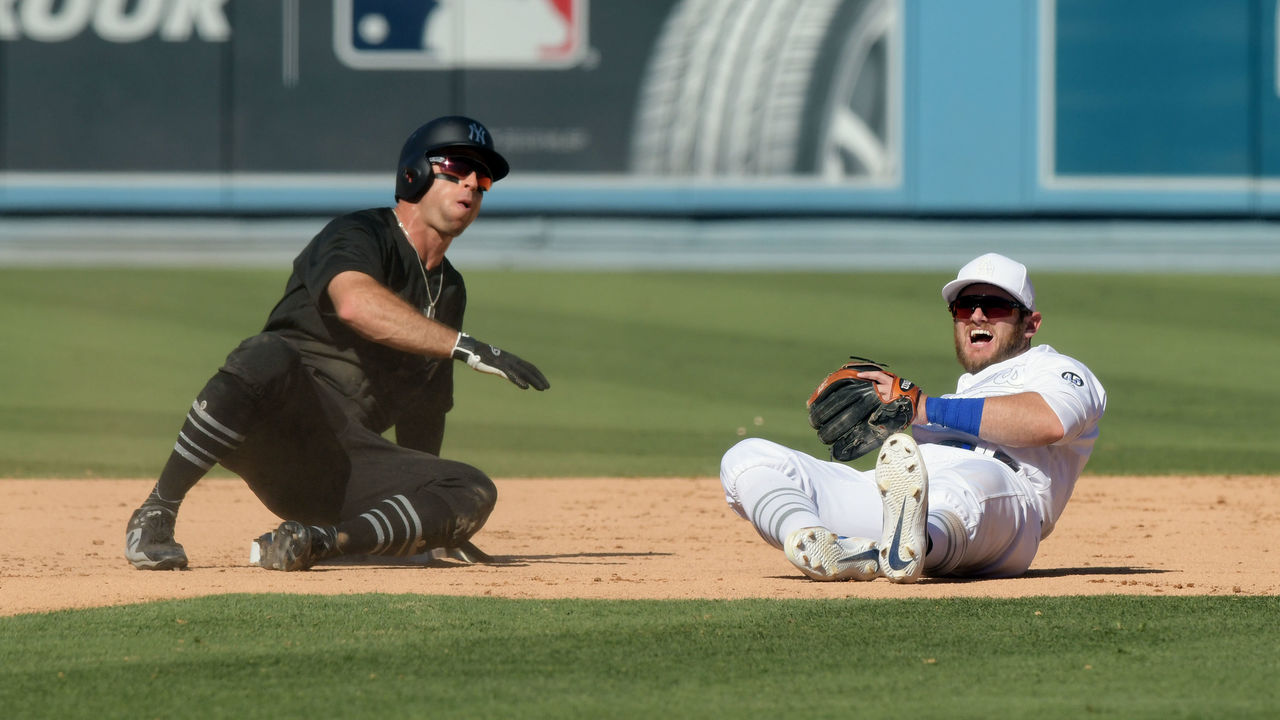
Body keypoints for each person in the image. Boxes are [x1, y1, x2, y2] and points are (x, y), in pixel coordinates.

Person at [125, 115, 549, 572]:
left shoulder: (449, 289)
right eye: (454, 168)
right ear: (415, 173)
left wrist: (437, 521)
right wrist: (463, 345)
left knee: (472, 488)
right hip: (271, 424)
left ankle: (319, 542)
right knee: (267, 352)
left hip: (342, 467)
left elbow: (426, 408)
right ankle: (156, 512)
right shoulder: (358, 234)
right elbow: (354, 303)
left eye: (482, 179)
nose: (471, 185)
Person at [719, 253, 1106, 582]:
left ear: (1031, 325)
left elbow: (1050, 422)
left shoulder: (1055, 369)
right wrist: (899, 415)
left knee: (968, 483)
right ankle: (826, 545)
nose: (976, 316)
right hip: (902, 504)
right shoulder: (959, 395)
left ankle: (916, 546)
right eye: (963, 307)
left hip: (1006, 506)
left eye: (996, 306)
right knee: (747, 458)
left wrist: (924, 407)